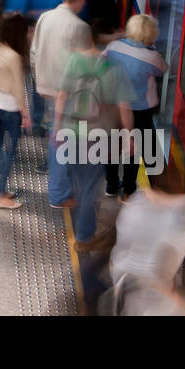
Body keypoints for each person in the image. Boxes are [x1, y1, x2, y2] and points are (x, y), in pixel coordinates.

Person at [56, 18, 133, 243]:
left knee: (81, 182)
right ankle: (85, 234)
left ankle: (84, 219)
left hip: (73, 129)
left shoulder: (73, 62)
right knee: (90, 185)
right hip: (100, 135)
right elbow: (125, 107)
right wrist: (128, 135)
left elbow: (62, 96)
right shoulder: (114, 67)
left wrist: (57, 128)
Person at [30, 0, 91, 208]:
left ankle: (60, 185)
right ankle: (59, 195)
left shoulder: (45, 17)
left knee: (56, 134)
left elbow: (34, 52)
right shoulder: (80, 27)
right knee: (62, 140)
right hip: (68, 93)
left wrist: (39, 80)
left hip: (46, 87)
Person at [104, 14, 169, 198]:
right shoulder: (151, 56)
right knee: (133, 151)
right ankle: (129, 190)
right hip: (139, 110)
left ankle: (111, 185)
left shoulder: (114, 46)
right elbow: (163, 69)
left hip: (113, 106)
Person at [0, 12, 32, 210]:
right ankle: (0, 197)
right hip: (10, 109)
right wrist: (26, 114)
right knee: (8, 153)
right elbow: (19, 89)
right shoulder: (14, 56)